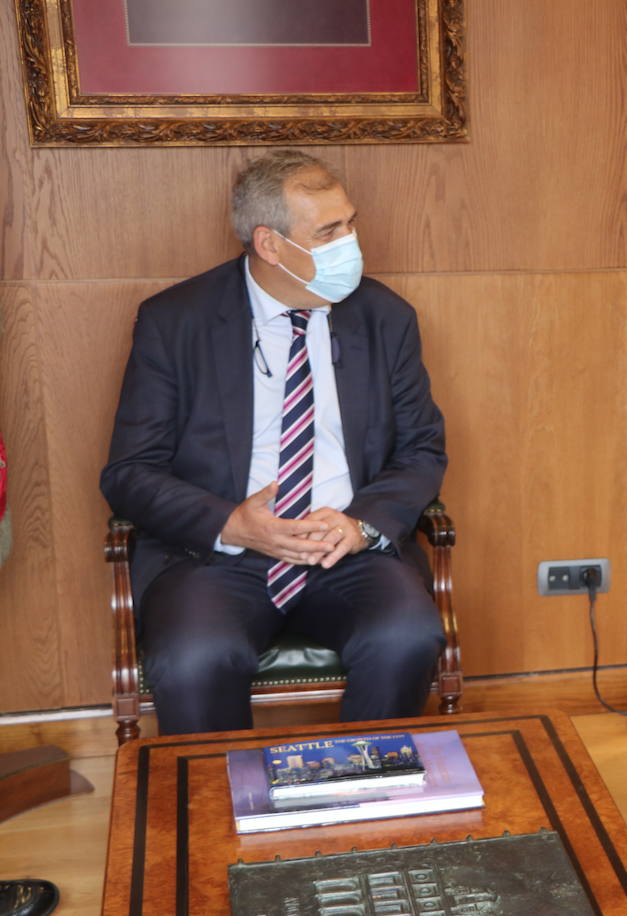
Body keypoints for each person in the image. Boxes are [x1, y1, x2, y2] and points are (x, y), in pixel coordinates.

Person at [100, 150, 448, 736]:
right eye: (329, 231)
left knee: (407, 634)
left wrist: (359, 524)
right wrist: (232, 524)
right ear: (269, 244)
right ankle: (219, 814)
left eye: (350, 223)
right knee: (194, 657)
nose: (351, 242)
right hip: (214, 559)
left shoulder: (385, 318)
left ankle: (365, 799)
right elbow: (130, 472)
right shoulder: (175, 322)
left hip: (345, 551)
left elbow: (422, 449)